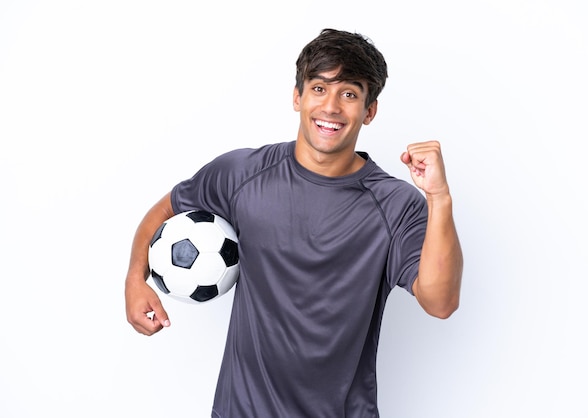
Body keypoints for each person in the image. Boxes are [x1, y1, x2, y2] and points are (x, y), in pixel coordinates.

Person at [125, 28, 463, 417]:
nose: (332, 107)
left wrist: (438, 198)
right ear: (297, 97)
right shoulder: (242, 174)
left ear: (369, 111)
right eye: (319, 88)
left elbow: (440, 303)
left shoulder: (395, 204)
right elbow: (164, 210)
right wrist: (136, 279)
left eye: (349, 94)